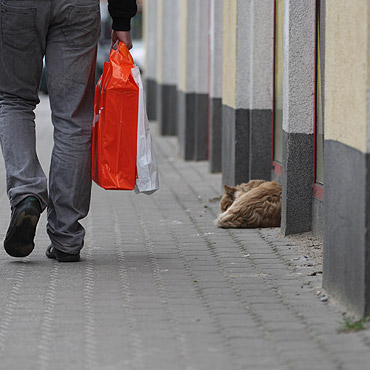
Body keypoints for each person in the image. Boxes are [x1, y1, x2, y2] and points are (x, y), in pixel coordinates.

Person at [0, 0, 137, 262]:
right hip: (77, 7)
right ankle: (66, 236)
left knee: (14, 101)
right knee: (73, 117)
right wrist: (122, 17)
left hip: (18, 7)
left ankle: (26, 193)